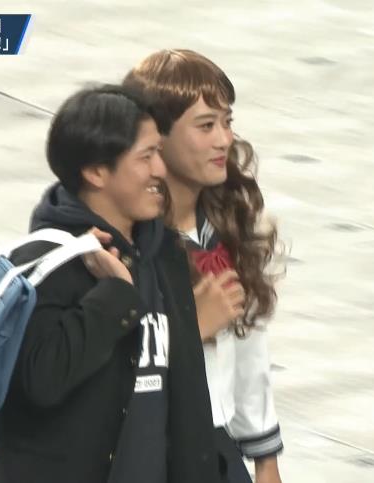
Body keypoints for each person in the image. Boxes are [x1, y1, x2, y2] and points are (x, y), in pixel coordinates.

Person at [0, 84, 224, 483]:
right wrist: (114, 296)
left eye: (159, 153)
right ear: (96, 172)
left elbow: (187, 397)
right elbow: (40, 384)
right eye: (145, 156)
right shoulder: (46, 262)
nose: (161, 170)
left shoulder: (164, 254)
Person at [124, 50, 285, 483]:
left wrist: (265, 460)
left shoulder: (225, 227)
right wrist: (191, 330)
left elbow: (250, 346)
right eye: (206, 125)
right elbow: (110, 368)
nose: (224, 140)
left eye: (227, 122)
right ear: (156, 137)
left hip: (218, 450)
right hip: (152, 451)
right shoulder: (129, 241)